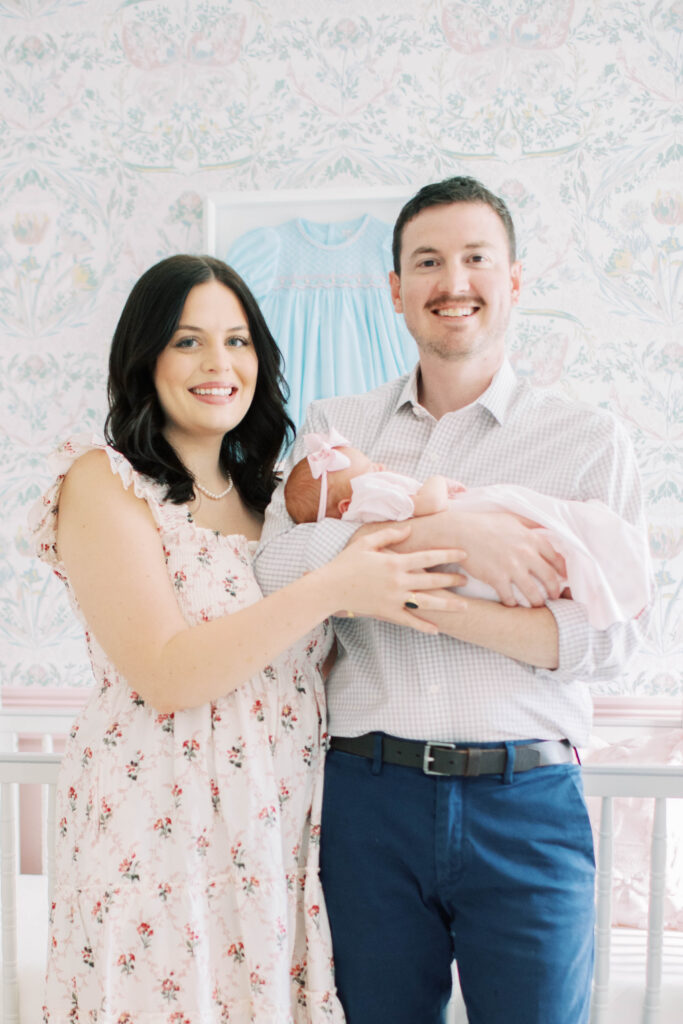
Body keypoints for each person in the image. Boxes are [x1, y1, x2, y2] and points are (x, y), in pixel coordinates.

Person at [28, 255, 466, 1023]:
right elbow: (165, 672)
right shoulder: (106, 481)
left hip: (276, 823)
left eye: (238, 342)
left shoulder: (279, 501)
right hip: (157, 820)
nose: (218, 364)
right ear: (145, 357)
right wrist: (331, 586)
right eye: (188, 342)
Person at [254, 178, 652, 1024]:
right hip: (368, 797)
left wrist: (425, 595)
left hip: (526, 803)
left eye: (475, 258)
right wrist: (463, 537)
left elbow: (613, 643)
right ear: (395, 291)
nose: (453, 281)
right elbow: (278, 575)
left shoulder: (587, 441)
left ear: (514, 280)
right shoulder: (337, 431)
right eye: (426, 261)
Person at [284, 429, 651, 630]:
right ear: (346, 507)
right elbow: (426, 506)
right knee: (530, 525)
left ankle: (579, 572)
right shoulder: (369, 497)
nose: (380, 469)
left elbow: (611, 652)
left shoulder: (596, 435)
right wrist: (440, 489)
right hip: (460, 516)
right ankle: (589, 565)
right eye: (371, 470)